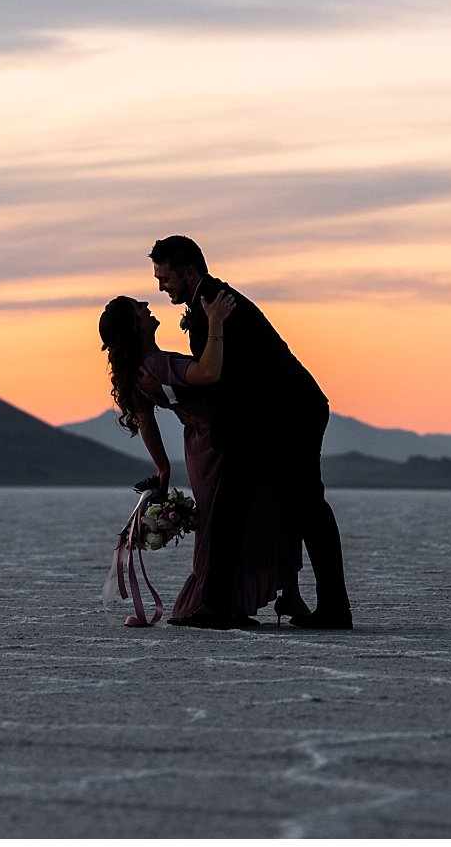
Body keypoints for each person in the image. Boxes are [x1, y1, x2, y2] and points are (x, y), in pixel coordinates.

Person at [149, 235, 352, 629]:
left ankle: (222, 609)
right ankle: (324, 608)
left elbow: (215, 375)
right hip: (274, 417)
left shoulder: (215, 303)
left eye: (166, 277)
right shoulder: (208, 302)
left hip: (283, 418)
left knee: (287, 508)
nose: (161, 287)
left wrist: (168, 398)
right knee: (289, 509)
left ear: (190, 271)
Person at [98, 292, 304, 630]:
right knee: (265, 512)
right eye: (140, 309)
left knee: (234, 520)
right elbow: (209, 372)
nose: (147, 306)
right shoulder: (157, 365)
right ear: (134, 326)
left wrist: (163, 466)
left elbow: (146, 420)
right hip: (222, 443)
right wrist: (216, 322)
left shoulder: (141, 370)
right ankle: (249, 598)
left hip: (199, 447)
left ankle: (267, 596)